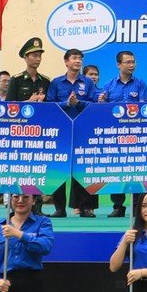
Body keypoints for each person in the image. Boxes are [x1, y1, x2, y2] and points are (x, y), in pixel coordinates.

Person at [102, 51, 147, 220]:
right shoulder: (109, 85)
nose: (132, 65)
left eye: (133, 62)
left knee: (136, 170)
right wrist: (101, 103)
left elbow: (146, 108)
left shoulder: (140, 84)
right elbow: (103, 109)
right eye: (128, 62)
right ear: (118, 64)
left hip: (136, 134)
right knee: (116, 169)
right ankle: (118, 205)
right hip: (115, 135)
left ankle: (138, 205)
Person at [54, 49, 98, 217]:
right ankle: (59, 208)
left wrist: (78, 103)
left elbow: (94, 105)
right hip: (62, 130)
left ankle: (85, 207)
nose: (78, 61)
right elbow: (51, 105)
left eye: (80, 58)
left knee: (83, 168)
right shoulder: (57, 83)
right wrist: (67, 103)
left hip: (83, 130)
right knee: (59, 168)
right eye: (74, 58)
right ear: (66, 62)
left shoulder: (88, 83)